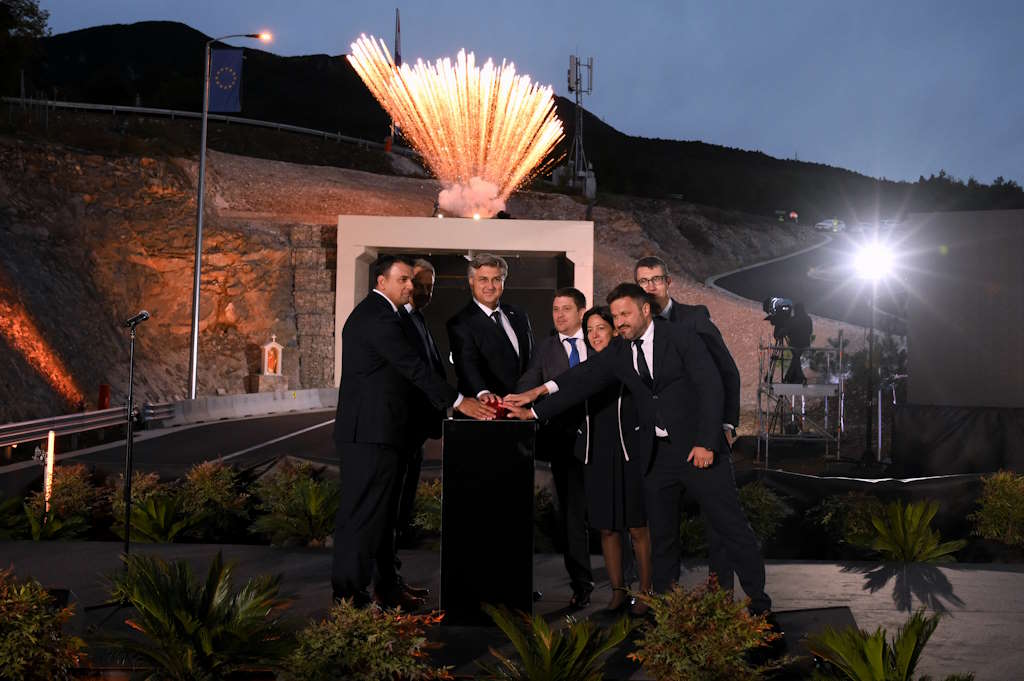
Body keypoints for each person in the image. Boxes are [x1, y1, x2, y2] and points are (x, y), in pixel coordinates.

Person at [504, 284, 772, 616]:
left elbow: (711, 386)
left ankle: (760, 606)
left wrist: (706, 442)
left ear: (645, 310)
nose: (620, 322)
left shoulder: (682, 337)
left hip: (700, 451)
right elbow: (584, 377)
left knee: (731, 527)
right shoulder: (619, 350)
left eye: (625, 314)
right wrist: (534, 406)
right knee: (662, 538)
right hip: (657, 457)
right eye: (615, 316)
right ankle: (666, 611)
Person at [332, 254, 494, 610]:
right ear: (381, 281)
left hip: (393, 434)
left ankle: (385, 588)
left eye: (413, 281)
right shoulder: (376, 317)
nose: (410, 286)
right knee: (361, 518)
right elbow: (411, 367)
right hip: (371, 435)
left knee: (385, 517)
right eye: (404, 280)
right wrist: (457, 400)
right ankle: (349, 599)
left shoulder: (394, 315)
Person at [515, 306, 655, 615]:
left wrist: (535, 409)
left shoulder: (623, 359)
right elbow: (571, 382)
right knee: (606, 527)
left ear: (614, 331)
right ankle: (618, 593)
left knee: (637, 526)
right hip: (595, 452)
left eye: (600, 328)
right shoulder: (589, 366)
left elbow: (579, 383)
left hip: (628, 452)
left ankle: (646, 593)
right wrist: (534, 395)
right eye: (589, 330)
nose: (593, 335)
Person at [635, 255, 744, 595]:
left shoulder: (695, 318)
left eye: (656, 280)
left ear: (668, 282)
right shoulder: (635, 327)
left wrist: (725, 425)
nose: (650, 286)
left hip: (702, 440)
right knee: (664, 529)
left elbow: (727, 372)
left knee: (717, 521)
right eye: (643, 281)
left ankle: (720, 591)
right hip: (662, 447)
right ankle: (667, 599)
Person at [515, 287, 594, 608]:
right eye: (555, 309)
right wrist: (517, 397)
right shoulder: (545, 348)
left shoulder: (599, 340)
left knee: (614, 517)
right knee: (573, 517)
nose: (559, 315)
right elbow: (528, 382)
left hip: (605, 441)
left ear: (581, 312)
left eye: (565, 309)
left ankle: (625, 586)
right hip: (565, 443)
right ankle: (582, 585)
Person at [394, 259, 445, 553]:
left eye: (430, 286)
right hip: (400, 430)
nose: (425, 291)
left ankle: (394, 576)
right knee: (394, 503)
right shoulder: (397, 321)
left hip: (415, 435)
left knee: (405, 502)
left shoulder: (418, 319)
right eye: (420, 284)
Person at [446, 253, 534, 404]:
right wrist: (482, 392)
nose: (490, 286)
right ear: (471, 281)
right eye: (483, 280)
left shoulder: (518, 314)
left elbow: (530, 359)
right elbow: (466, 364)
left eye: (496, 280)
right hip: (487, 409)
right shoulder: (460, 322)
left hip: (523, 408)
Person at [782, 302, 813, 384]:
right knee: (796, 359)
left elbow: (786, 331)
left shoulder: (792, 320)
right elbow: (810, 331)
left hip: (794, 344)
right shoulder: (808, 319)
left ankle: (791, 377)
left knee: (796, 358)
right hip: (805, 344)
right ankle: (795, 377)